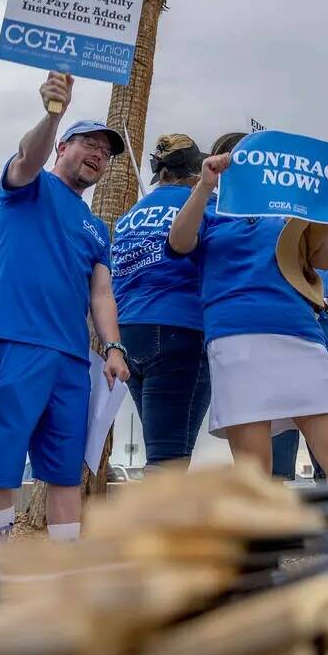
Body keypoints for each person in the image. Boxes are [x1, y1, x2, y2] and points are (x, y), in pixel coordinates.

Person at [0, 74, 130, 543]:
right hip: (14, 339)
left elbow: (101, 293)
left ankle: (64, 577)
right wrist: (54, 112)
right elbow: (26, 156)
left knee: (65, 474)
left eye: (106, 151)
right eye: (89, 144)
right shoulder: (28, 185)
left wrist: (115, 348)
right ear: (63, 147)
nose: (98, 154)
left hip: (71, 357)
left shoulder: (99, 228)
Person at [167, 133, 328, 480]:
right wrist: (203, 185)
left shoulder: (290, 213)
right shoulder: (210, 209)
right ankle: (264, 535)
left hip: (301, 333)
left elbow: (322, 260)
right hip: (236, 337)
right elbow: (179, 242)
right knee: (255, 469)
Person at [111, 133, 210, 470]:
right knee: (170, 456)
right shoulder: (201, 205)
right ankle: (157, 524)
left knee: (162, 448)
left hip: (130, 332)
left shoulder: (129, 217)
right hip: (179, 328)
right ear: (196, 171)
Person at [272, 254, 328, 481]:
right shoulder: (264, 249)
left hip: (322, 369)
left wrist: (320, 302)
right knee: (276, 469)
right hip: (273, 370)